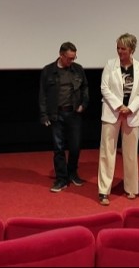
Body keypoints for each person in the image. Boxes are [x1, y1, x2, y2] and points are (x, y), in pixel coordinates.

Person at [97, 33, 139, 206]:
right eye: (118, 48)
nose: (119, 51)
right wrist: (119, 106)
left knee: (131, 154)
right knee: (107, 153)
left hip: (132, 115)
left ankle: (131, 188)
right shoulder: (110, 65)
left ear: (131, 49)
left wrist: (130, 108)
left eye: (123, 48)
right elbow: (104, 88)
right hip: (112, 113)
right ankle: (104, 191)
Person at [39, 41, 90, 192]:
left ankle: (72, 173)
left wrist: (84, 104)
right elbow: (42, 94)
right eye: (69, 58)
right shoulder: (48, 71)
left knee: (75, 146)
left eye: (74, 58)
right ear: (61, 55)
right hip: (56, 114)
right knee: (58, 148)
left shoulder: (78, 69)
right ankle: (61, 178)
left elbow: (85, 87)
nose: (71, 61)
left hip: (74, 113)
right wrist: (44, 115)